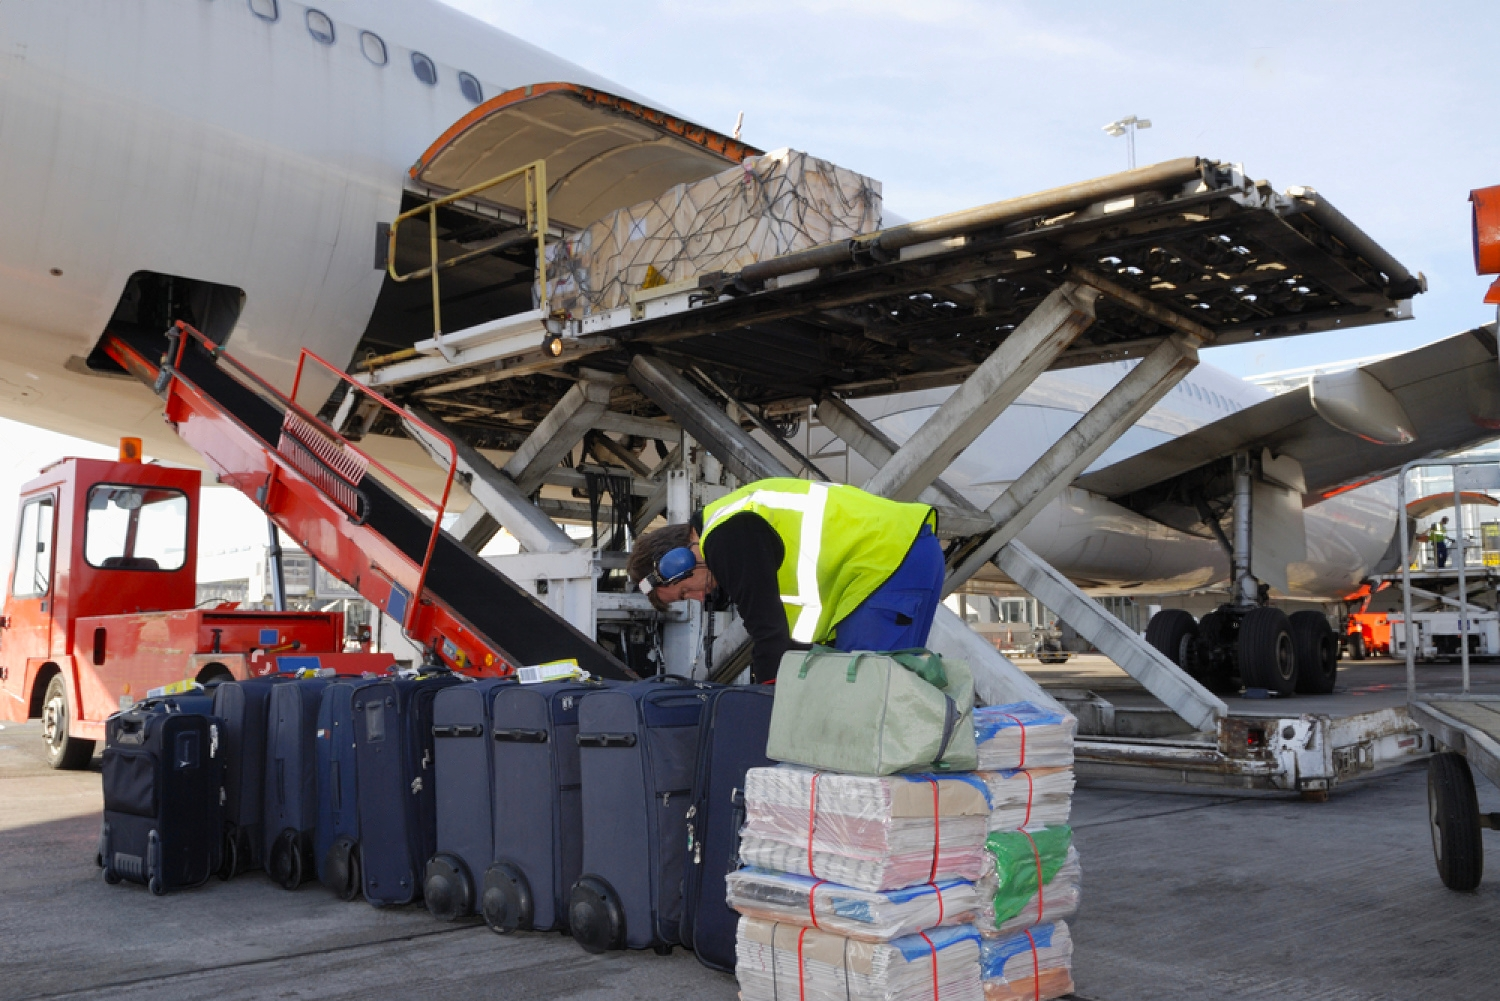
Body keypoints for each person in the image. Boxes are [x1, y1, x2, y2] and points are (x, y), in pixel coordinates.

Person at [628, 478, 943, 683]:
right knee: (888, 692)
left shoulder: (726, 538)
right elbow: (790, 640)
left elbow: (769, 634)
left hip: (885, 561)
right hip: (899, 557)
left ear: (679, 561)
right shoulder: (733, 527)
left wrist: (767, 704)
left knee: (867, 697)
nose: (697, 599)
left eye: (685, 591)